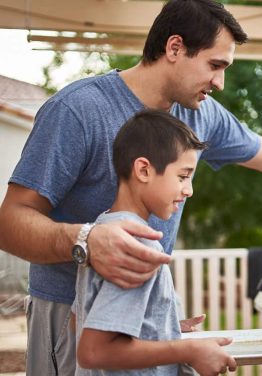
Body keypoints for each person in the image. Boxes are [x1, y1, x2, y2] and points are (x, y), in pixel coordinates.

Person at [0, 0, 262, 374]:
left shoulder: (200, 115)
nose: (220, 82)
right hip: (69, 314)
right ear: (174, 48)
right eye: (215, 65)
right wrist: (88, 240)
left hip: (137, 320)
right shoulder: (79, 110)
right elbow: (10, 224)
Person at [73, 109, 235, 375]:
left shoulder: (102, 229)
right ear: (144, 170)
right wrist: (189, 350)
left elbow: (79, 322)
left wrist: (163, 327)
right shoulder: (138, 245)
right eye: (183, 176)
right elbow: (94, 351)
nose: (189, 190)